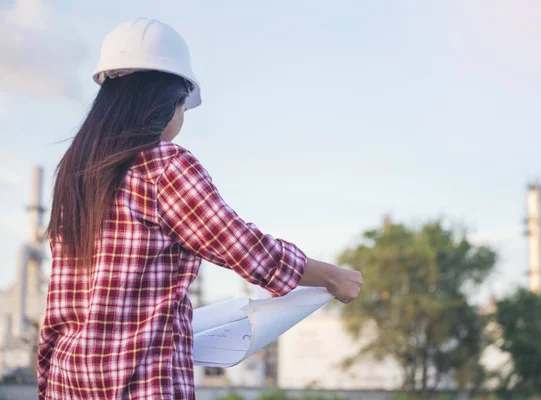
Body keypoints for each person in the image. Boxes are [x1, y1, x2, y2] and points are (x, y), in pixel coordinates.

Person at [37, 18, 362, 400]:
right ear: (166, 102)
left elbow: (56, 312)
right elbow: (243, 247)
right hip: (140, 386)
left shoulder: (75, 174)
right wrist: (334, 277)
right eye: (182, 108)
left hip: (66, 383)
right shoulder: (164, 166)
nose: (181, 120)